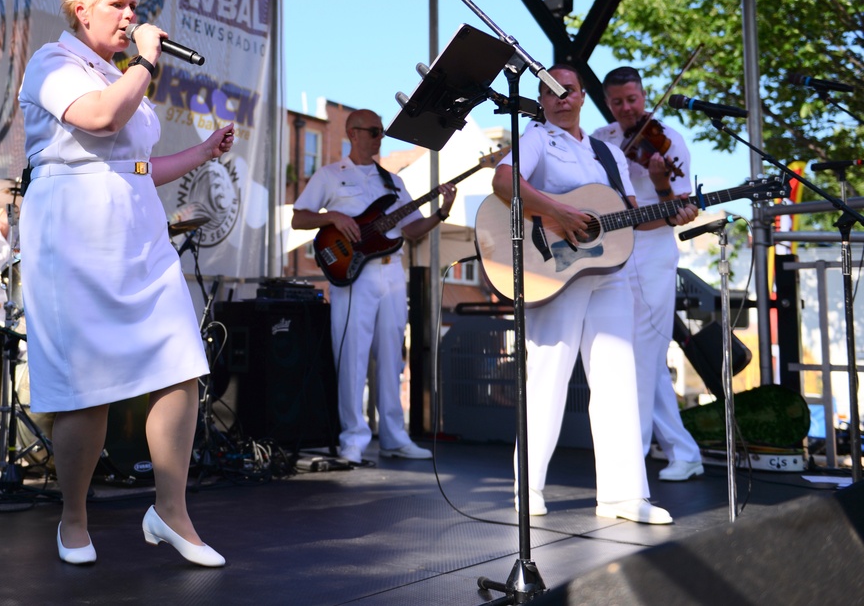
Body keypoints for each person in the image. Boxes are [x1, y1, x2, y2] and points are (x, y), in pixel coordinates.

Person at [16, 0, 234, 566]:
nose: (132, 16)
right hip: (75, 235)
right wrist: (144, 62)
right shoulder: (53, 64)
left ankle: (170, 511)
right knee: (87, 391)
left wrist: (201, 151)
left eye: (134, 6)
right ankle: (74, 517)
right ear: (82, 10)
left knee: (182, 363)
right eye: (119, 5)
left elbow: (138, 165)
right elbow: (98, 119)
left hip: (140, 234)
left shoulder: (118, 74)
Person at [490, 64, 696, 524]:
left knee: (619, 378)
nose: (562, 98)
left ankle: (624, 496)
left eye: (570, 91)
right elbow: (504, 182)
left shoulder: (608, 152)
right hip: (555, 271)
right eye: (552, 92)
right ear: (542, 100)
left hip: (609, 271)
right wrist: (558, 211)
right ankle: (530, 486)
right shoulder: (537, 137)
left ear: (583, 97)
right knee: (547, 375)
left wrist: (672, 206)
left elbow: (630, 215)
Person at [291, 109, 455, 465]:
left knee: (392, 356)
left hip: (392, 272)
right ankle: (353, 437)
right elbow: (299, 217)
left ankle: (395, 436)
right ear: (353, 132)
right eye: (375, 131)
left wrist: (441, 213)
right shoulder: (330, 175)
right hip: (353, 275)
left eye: (381, 132)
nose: (381, 138)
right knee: (352, 356)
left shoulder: (392, 181)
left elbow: (410, 230)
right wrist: (332, 216)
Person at [592, 66, 704, 482]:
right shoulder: (601, 139)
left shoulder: (669, 140)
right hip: (613, 252)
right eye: (618, 102)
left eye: (633, 100)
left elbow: (677, 209)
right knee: (646, 359)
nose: (626, 108)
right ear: (608, 103)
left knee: (642, 355)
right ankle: (684, 451)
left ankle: (632, 460)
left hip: (652, 252)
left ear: (643, 96)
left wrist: (659, 182)